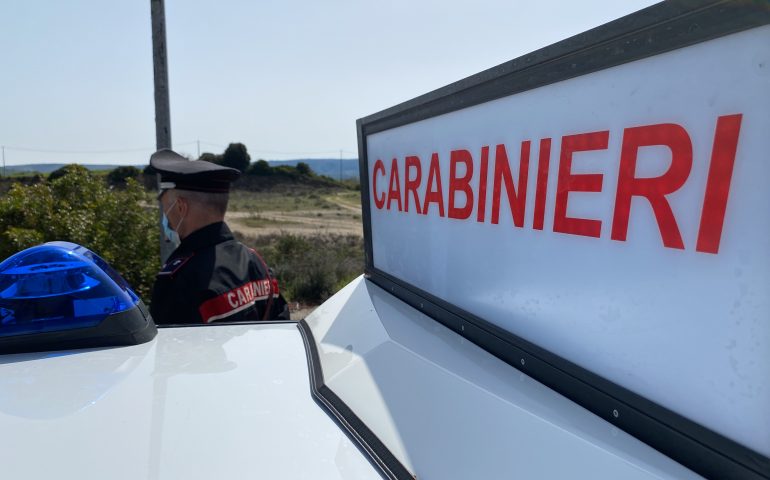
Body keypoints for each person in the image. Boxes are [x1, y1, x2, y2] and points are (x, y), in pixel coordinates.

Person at [149, 148, 289, 324]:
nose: (164, 217)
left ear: (180, 207)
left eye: (165, 208)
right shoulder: (255, 261)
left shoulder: (180, 280)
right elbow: (281, 326)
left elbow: (167, 341)